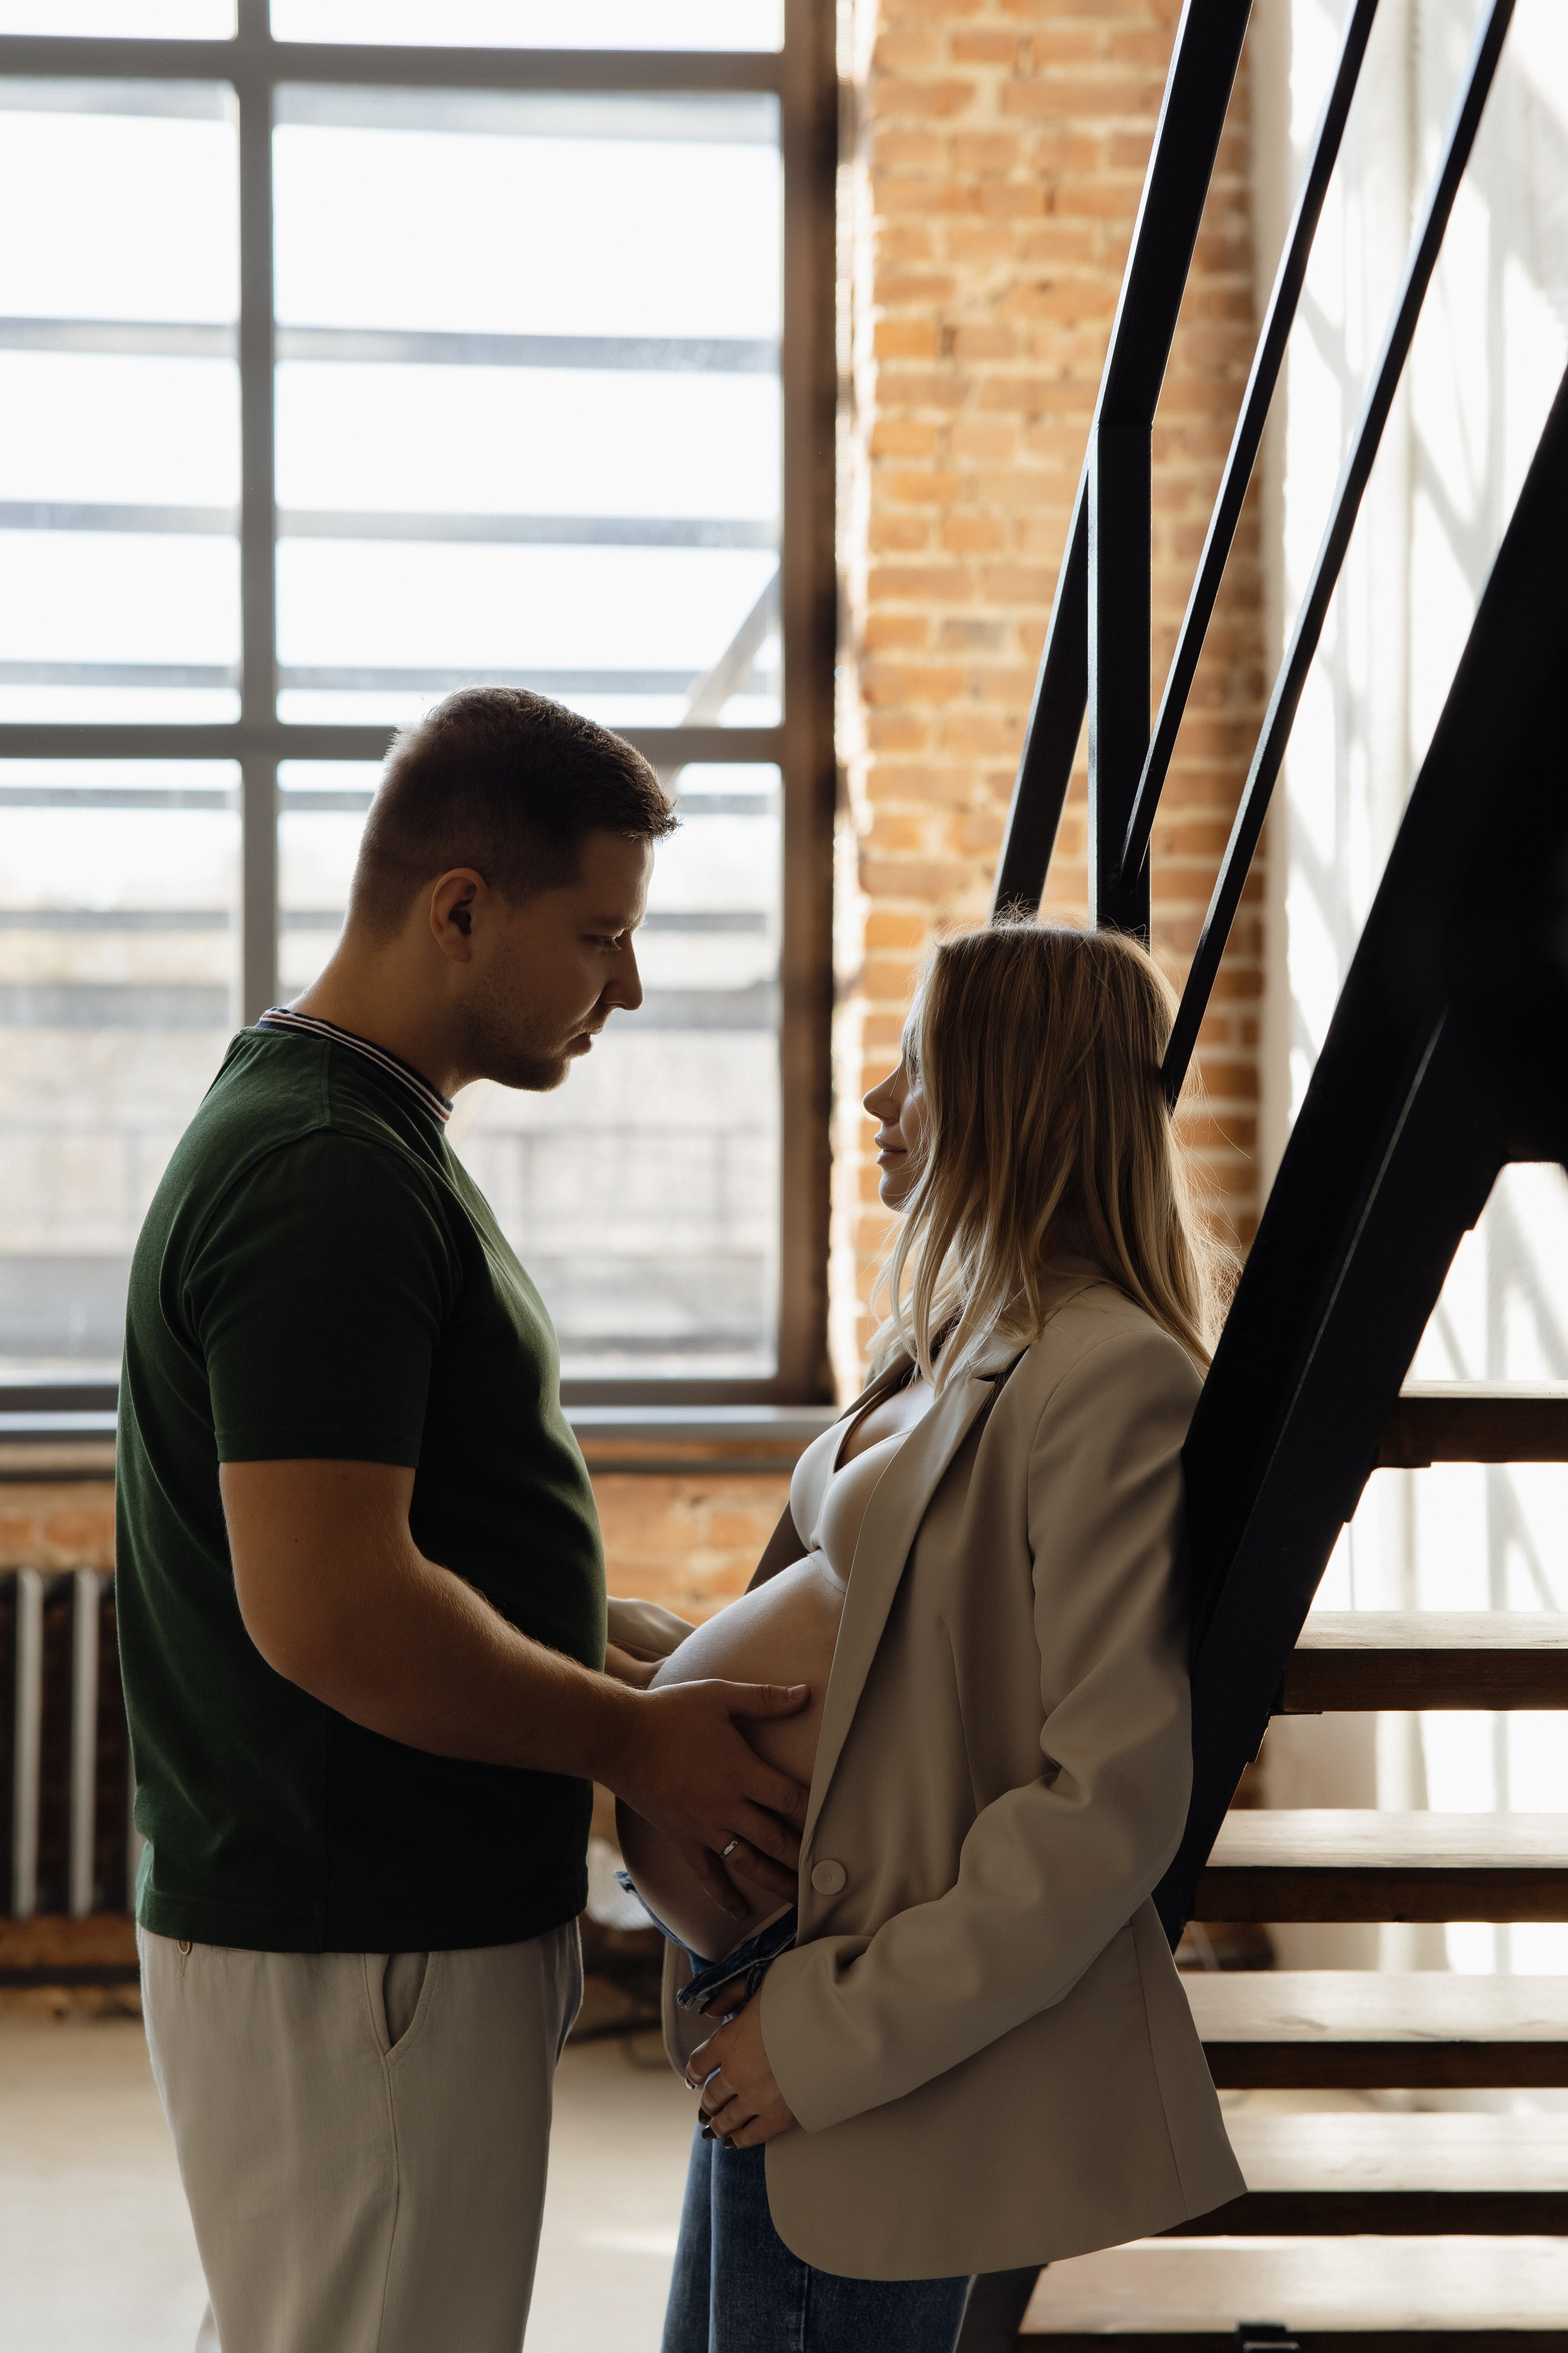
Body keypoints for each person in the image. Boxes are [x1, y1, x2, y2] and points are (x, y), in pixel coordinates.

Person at [116, 687, 812, 2353]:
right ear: (459, 909)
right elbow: (336, 1610)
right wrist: (635, 1747)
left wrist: (639, 1649)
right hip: (361, 1934)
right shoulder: (323, 1174)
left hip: (373, 1928)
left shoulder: (354, 1130)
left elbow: (433, 1543)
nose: (625, 988)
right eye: (601, 937)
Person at [614, 919, 1248, 2353]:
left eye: (914, 1066)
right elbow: (882, 1642)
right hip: (768, 1973)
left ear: (1010, 1095)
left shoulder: (1108, 1377)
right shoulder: (966, 1336)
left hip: (860, 2033)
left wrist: (827, 2035)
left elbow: (1106, 1803)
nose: (880, 1104)